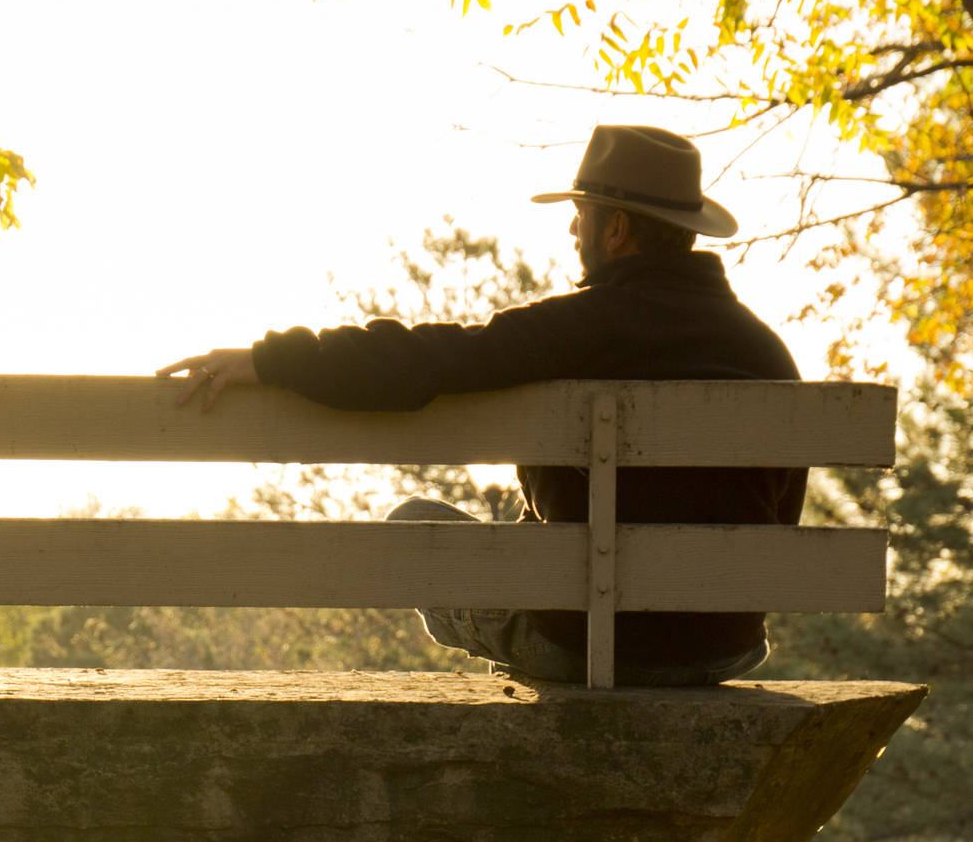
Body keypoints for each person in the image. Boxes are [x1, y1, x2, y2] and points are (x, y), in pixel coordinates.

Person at [157, 125, 806, 687]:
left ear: (616, 229)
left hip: (578, 644)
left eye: (582, 212)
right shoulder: (770, 356)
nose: (572, 226)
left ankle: (541, 676)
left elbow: (421, 362)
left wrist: (273, 359)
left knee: (414, 523)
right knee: (536, 552)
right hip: (724, 646)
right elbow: (780, 521)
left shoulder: (578, 329)